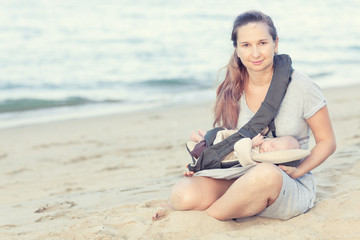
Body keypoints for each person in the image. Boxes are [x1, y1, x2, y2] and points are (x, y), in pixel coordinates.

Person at [157, 10, 336, 221]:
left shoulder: (303, 87)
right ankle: (219, 206)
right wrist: (204, 162)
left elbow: (327, 142)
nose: (256, 53)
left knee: (265, 174)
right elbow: (231, 141)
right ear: (237, 50)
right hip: (239, 174)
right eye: (246, 45)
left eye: (262, 43)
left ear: (275, 44)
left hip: (285, 181)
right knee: (183, 195)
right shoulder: (232, 88)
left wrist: (299, 171)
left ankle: (208, 218)